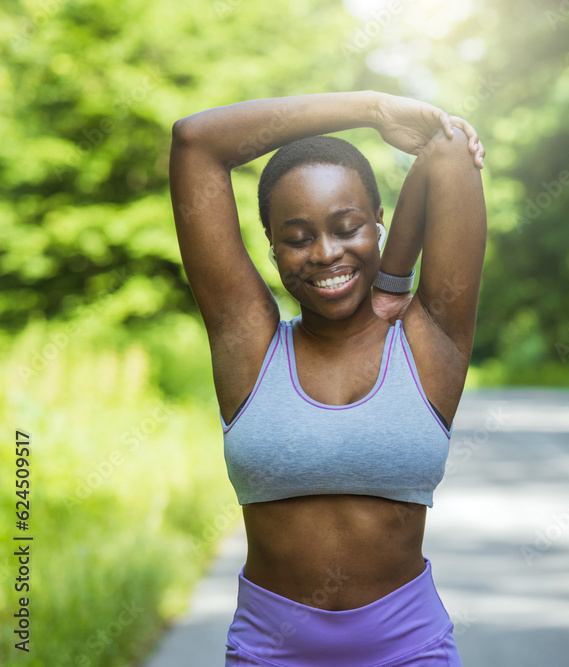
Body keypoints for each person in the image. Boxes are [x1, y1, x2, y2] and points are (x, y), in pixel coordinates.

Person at [168, 90, 487, 665]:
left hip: (409, 651)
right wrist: (369, 108)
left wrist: (392, 279)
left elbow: (447, 151)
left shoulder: (429, 341)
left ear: (378, 224)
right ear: (269, 245)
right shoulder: (249, 345)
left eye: (347, 227)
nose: (324, 253)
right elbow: (197, 144)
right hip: (271, 654)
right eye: (296, 238)